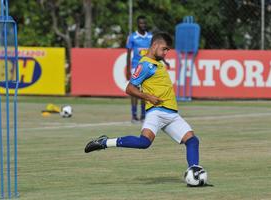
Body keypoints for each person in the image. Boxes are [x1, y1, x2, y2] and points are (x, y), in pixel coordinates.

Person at [85, 32, 201, 170]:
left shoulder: (157, 63)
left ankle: (194, 170)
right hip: (156, 112)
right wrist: (149, 97)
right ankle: (104, 142)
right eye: (164, 49)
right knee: (144, 143)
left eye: (167, 50)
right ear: (155, 45)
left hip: (172, 114)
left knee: (192, 141)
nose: (166, 53)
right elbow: (129, 89)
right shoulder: (145, 64)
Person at [126, 15, 152, 123]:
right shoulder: (132, 37)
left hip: (146, 67)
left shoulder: (150, 37)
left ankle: (143, 116)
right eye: (141, 23)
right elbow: (128, 54)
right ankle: (134, 115)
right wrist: (128, 69)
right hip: (135, 67)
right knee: (134, 91)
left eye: (144, 23)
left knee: (144, 91)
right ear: (137, 24)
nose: (143, 25)